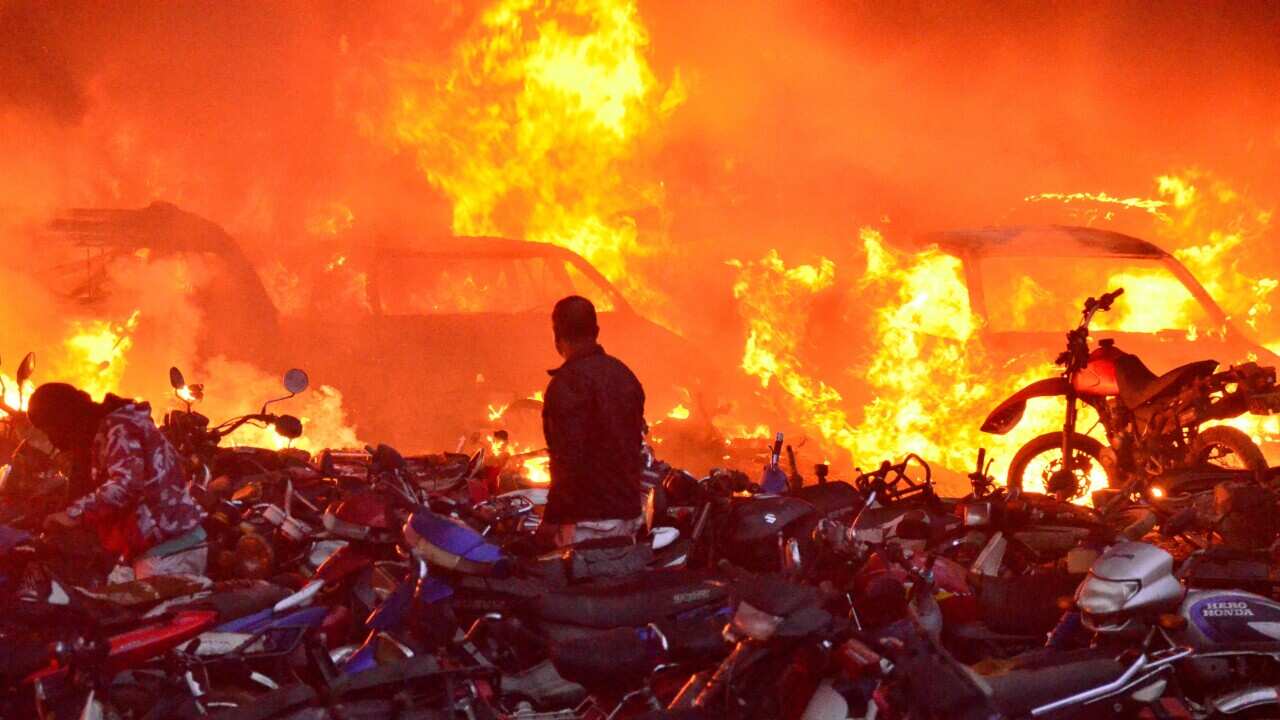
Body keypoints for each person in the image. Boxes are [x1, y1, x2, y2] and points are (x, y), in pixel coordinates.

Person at [28, 383, 207, 579]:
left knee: (141, 609)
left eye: (49, 429)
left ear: (63, 418)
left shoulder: (119, 429)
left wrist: (73, 515)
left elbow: (126, 485)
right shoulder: (100, 434)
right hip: (147, 550)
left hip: (168, 550)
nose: (53, 439)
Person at [538, 296, 647, 547]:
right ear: (596, 331)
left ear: (557, 336)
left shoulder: (566, 384)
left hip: (587, 525)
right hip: (629, 514)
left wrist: (551, 521)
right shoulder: (624, 375)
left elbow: (568, 461)